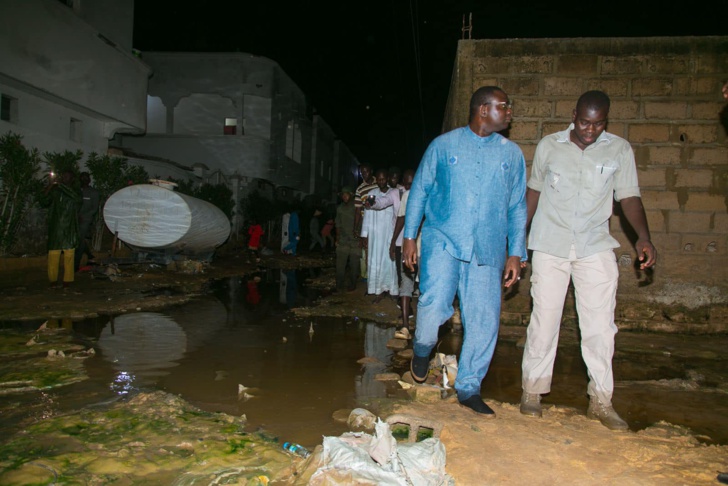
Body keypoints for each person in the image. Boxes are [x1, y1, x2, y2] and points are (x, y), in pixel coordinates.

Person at [519, 90, 657, 431]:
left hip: (595, 246)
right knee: (544, 320)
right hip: (550, 244)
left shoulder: (619, 149)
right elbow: (533, 192)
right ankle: (533, 392)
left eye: (598, 124)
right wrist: (515, 240)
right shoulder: (549, 146)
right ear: (573, 114)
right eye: (584, 122)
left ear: (605, 120)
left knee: (600, 328)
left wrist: (643, 236)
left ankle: (601, 401)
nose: (590, 130)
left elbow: (629, 197)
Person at [403, 86, 526, 416]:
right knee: (433, 302)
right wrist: (409, 237)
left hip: (488, 247)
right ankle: (423, 346)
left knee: (485, 319)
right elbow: (420, 191)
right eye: (504, 105)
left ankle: (469, 386)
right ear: (483, 110)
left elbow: (517, 206)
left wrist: (516, 251)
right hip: (443, 237)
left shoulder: (511, 155)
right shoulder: (443, 146)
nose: (510, 111)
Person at [361, 169, 400, 303]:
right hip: (376, 235)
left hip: (390, 234)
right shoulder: (372, 194)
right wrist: (364, 235)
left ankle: (392, 289)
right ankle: (378, 290)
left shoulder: (393, 193)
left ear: (387, 179)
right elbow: (367, 213)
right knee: (376, 261)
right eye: (379, 179)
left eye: (383, 179)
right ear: (376, 179)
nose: (381, 181)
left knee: (390, 262)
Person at [42, 170, 82, 288]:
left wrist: (61, 185)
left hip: (70, 227)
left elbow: (77, 199)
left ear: (72, 179)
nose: (64, 178)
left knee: (69, 255)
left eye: (67, 176)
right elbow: (43, 201)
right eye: (63, 176)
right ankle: (53, 280)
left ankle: (67, 280)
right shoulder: (56, 191)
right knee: (53, 254)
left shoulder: (76, 191)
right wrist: (50, 185)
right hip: (56, 228)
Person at [391, 169, 416, 340]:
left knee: (424, 288)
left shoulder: (429, 194)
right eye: (407, 184)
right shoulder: (406, 196)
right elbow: (401, 219)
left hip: (427, 248)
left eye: (412, 183)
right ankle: (405, 326)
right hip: (409, 247)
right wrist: (393, 242)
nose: (409, 187)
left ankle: (423, 327)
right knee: (406, 284)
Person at [354, 164, 377, 278]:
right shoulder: (360, 189)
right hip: (367, 223)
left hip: (382, 222)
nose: (364, 174)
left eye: (366, 171)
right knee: (368, 251)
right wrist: (356, 228)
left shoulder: (381, 182)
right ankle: (370, 279)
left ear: (371, 171)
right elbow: (358, 211)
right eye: (362, 172)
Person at [335, 186, 359, 292]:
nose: (344, 197)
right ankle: (339, 284)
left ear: (351, 195)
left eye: (346, 194)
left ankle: (353, 284)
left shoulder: (356, 206)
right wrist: (337, 238)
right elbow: (337, 224)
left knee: (354, 265)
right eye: (343, 195)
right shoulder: (339, 208)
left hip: (355, 240)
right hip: (343, 240)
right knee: (340, 265)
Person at [74, 171, 99, 271]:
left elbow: (94, 208)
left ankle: (75, 265)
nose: (84, 180)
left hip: (85, 220)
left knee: (79, 241)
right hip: (75, 219)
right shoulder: (76, 191)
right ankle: (89, 255)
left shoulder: (94, 192)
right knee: (77, 240)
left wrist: (83, 216)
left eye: (86, 178)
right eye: (82, 178)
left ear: (89, 180)